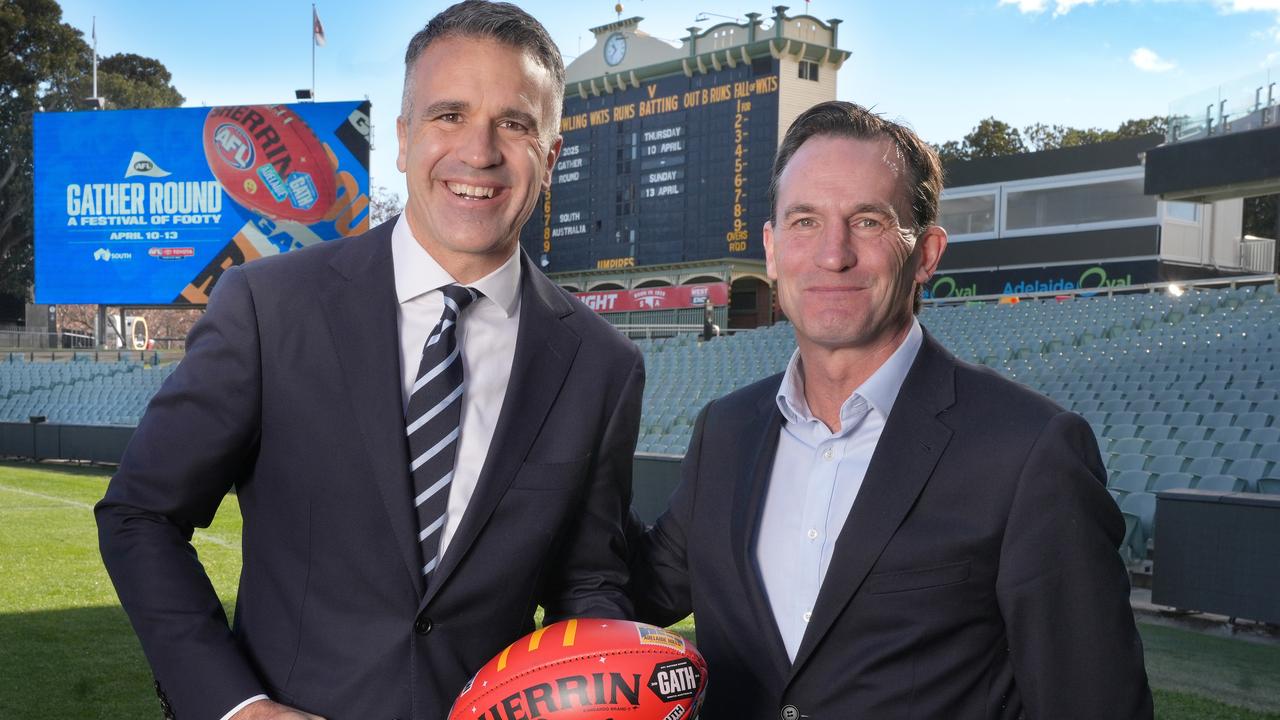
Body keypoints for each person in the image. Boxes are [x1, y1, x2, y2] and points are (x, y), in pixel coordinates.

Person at [96, 3, 644, 719]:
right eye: (449, 115)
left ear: (552, 152)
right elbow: (140, 515)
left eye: (513, 123)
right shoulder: (270, 306)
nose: (478, 151)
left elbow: (587, 581)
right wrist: (236, 707)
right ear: (403, 136)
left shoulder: (601, 365)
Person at [629, 101, 1152, 719]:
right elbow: (632, 592)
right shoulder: (727, 430)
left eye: (869, 221)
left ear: (926, 253)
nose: (833, 253)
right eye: (804, 222)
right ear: (771, 251)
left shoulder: (1028, 450)